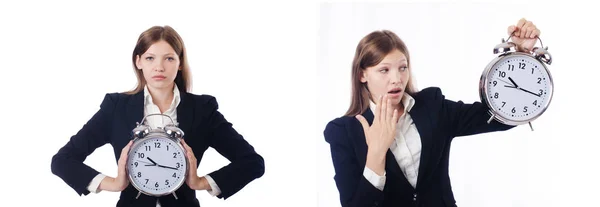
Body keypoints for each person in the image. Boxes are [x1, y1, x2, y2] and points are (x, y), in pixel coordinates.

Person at [323, 18, 541, 207]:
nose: (397, 78)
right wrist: (376, 155)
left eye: (402, 67)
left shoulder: (433, 107)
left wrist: (519, 56)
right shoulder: (342, 132)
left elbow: (498, 118)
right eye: (384, 70)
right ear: (362, 75)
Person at [51, 25, 265, 207]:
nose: (159, 67)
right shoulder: (116, 108)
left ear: (180, 63)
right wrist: (114, 183)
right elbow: (62, 161)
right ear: (138, 62)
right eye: (150, 58)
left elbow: (252, 163)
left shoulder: (202, 110)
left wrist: (200, 182)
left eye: (169, 58)